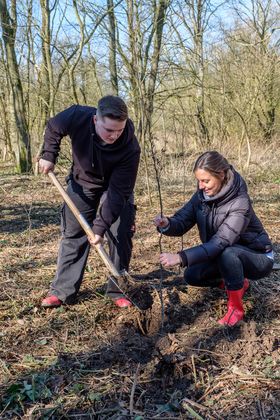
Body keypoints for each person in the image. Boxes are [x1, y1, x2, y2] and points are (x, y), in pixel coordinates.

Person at [39, 96, 140, 308]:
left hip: (115, 189)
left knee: (120, 232)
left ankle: (118, 290)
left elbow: (117, 194)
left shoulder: (130, 147)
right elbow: (54, 127)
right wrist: (49, 154)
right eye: (109, 130)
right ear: (96, 120)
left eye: (119, 130)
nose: (114, 136)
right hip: (82, 182)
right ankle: (63, 292)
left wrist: (99, 227)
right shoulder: (78, 116)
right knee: (73, 233)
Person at [154, 151, 274, 326]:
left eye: (206, 181)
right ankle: (238, 283)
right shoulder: (201, 197)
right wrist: (166, 224)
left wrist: (181, 257)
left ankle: (235, 310)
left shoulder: (240, 202)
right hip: (224, 254)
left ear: (221, 175)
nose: (201, 186)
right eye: (199, 181)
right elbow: (182, 221)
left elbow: (220, 242)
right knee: (192, 275)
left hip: (258, 258)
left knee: (228, 253)